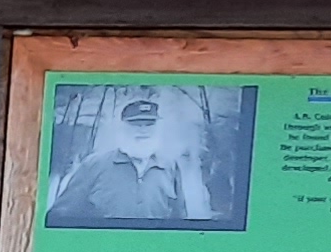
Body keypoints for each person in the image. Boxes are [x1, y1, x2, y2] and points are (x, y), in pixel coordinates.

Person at [46, 86, 224, 228]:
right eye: (136, 123)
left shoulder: (169, 167)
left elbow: (179, 219)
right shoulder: (95, 164)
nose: (143, 130)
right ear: (122, 128)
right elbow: (61, 217)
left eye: (149, 123)